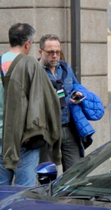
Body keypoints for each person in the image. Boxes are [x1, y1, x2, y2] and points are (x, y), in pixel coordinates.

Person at [0, 23, 60, 187]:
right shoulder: (32, 66)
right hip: (24, 136)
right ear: (28, 43)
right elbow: (44, 101)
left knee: (1, 187)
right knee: (25, 187)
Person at [38, 33, 82, 170]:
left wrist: (77, 95)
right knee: (47, 175)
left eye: (57, 52)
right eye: (50, 52)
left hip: (69, 129)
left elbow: (75, 86)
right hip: (47, 131)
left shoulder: (65, 68)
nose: (55, 55)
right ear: (41, 52)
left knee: (74, 173)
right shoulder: (34, 71)